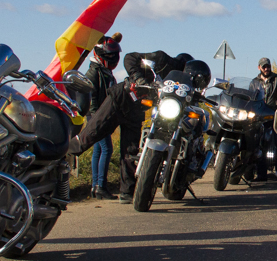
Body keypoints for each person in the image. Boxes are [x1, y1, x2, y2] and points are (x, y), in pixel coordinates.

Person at [71, 50, 193, 203]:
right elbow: (130, 57)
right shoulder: (162, 59)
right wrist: (138, 78)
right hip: (122, 97)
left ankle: (127, 192)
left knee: (131, 151)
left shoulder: (183, 85)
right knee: (89, 135)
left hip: (137, 110)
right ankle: (56, 166)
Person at [84, 34, 121, 198]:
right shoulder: (93, 73)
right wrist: (96, 116)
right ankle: (101, 186)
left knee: (99, 150)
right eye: (108, 55)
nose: (112, 58)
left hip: (100, 115)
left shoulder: (104, 71)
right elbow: (90, 97)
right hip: (97, 116)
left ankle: (96, 187)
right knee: (106, 149)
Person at [250, 57, 277, 178]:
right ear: (259, 67)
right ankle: (260, 174)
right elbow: (250, 98)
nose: (266, 69)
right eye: (264, 66)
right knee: (257, 144)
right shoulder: (254, 82)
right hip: (259, 117)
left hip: (275, 116)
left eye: (268, 66)